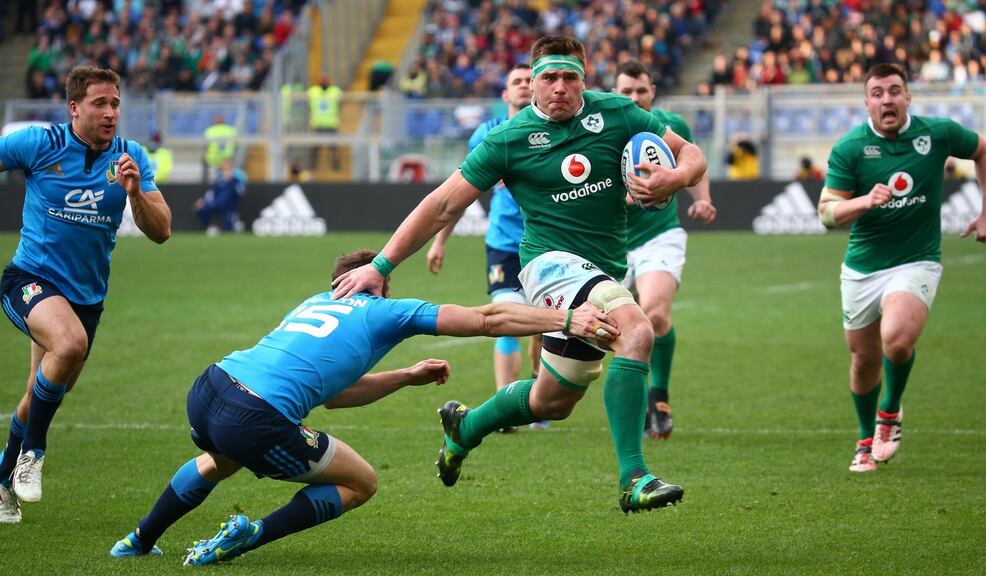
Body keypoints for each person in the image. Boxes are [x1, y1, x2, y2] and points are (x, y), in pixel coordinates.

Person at [333, 36, 707, 513]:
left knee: (553, 401)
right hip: (548, 267)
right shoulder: (508, 139)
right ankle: (634, 477)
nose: (559, 88)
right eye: (549, 77)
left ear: (584, 80)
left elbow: (691, 154)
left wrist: (677, 176)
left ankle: (463, 429)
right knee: (636, 331)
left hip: (605, 268)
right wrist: (380, 265)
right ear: (532, 83)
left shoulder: (618, 113)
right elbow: (443, 203)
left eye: (570, 77)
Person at [108, 249, 616, 563]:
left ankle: (137, 540)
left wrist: (406, 376)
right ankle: (249, 535)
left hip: (210, 389)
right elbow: (484, 318)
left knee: (219, 461)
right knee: (361, 482)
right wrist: (566, 320)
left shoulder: (311, 303)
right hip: (256, 415)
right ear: (378, 282)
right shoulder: (387, 309)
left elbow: (332, 393)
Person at [0, 65, 172, 523]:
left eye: (115, 103)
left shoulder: (131, 156)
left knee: (43, 390)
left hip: (86, 299)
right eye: (100, 103)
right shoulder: (40, 144)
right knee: (69, 344)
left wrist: (136, 192)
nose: (110, 112)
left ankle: (1, 483)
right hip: (29, 279)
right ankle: (33, 453)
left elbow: (162, 231)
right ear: (75, 108)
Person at [818, 63, 986, 473]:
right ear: (867, 102)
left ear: (908, 96)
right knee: (863, 360)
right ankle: (865, 439)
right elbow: (827, 213)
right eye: (878, 93)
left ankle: (888, 413)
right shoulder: (850, 148)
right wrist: (865, 201)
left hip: (917, 260)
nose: (887, 99)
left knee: (897, 339)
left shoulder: (936, 133)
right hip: (863, 267)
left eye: (894, 90)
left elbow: (984, 152)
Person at [425, 63, 543, 434]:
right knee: (508, 321)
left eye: (529, 80)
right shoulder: (487, 135)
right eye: (516, 81)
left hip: (546, 243)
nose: (524, 85)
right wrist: (440, 239)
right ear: (506, 95)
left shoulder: (555, 132)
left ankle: (539, 382)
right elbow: (462, 193)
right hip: (504, 246)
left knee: (545, 327)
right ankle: (506, 408)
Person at [612, 59, 717, 440]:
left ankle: (659, 396)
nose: (635, 97)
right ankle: (636, 398)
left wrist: (701, 199)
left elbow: (695, 161)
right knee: (619, 328)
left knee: (654, 313)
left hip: (661, 233)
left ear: (653, 91)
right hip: (613, 242)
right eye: (626, 91)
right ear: (615, 93)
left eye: (641, 90)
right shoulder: (605, 127)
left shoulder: (671, 127)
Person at [194, 159, 246, 235]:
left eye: (227, 167)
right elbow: (210, 193)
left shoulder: (236, 180)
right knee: (201, 209)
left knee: (229, 229)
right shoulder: (219, 180)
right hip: (216, 205)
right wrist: (202, 200)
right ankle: (211, 227)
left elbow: (241, 192)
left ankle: (235, 224)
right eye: (224, 167)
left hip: (230, 208)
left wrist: (233, 182)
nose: (226, 169)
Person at [306, 74, 342, 171]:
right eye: (322, 80)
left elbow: (340, 103)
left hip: (331, 124)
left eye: (325, 79)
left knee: (333, 148)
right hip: (318, 124)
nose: (323, 81)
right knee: (315, 148)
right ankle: (312, 167)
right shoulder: (313, 91)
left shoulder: (335, 91)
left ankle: (336, 167)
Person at [202, 113, 237, 185]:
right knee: (224, 175)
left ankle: (205, 183)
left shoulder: (209, 130)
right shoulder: (231, 130)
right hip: (227, 157)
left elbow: (206, 146)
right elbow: (235, 145)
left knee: (205, 164)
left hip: (213, 158)